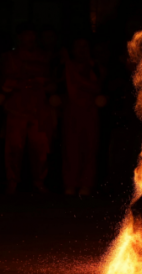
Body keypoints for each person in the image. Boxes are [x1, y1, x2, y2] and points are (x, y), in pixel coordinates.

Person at [2, 23, 55, 194]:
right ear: (20, 37)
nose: (31, 39)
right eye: (27, 35)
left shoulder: (44, 58)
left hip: (38, 110)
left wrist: (45, 85)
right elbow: (4, 82)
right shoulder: (8, 58)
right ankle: (12, 182)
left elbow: (52, 82)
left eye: (33, 36)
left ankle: (39, 181)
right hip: (16, 109)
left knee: (40, 149)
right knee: (14, 148)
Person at [61, 38, 102, 196]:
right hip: (71, 111)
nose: (81, 50)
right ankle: (70, 183)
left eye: (84, 46)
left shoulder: (94, 66)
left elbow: (98, 86)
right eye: (78, 46)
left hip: (90, 111)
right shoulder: (63, 66)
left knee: (90, 148)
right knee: (71, 148)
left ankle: (86, 184)